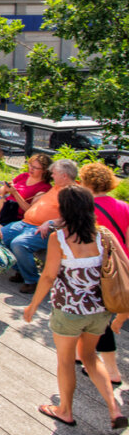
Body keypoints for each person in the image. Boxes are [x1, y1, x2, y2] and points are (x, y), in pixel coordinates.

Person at [24, 185, 128, 430]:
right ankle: (114, 408)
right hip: (100, 310)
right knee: (91, 357)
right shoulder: (104, 235)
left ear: (65, 210)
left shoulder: (59, 238)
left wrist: (32, 306)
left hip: (68, 310)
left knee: (66, 360)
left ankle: (65, 410)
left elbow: (49, 276)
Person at [79, 162, 129, 386]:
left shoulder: (85, 208)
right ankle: (82, 354)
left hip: (97, 268)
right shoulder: (123, 205)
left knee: (97, 319)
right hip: (119, 264)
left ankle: (111, 370)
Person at [2, 159, 78, 293]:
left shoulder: (73, 192)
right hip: (25, 223)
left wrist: (50, 222)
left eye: (54, 174)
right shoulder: (56, 187)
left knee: (19, 244)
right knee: (0, 235)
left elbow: (71, 217)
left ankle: (32, 280)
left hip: (46, 229)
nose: (52, 176)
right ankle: (20, 270)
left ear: (64, 176)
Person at [0, 154, 52, 225]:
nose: (31, 169)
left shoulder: (44, 188)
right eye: (30, 165)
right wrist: (6, 188)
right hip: (3, 208)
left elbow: (30, 210)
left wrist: (15, 193)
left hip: (16, 217)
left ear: (44, 171)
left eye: (35, 167)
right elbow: (1, 191)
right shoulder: (24, 176)